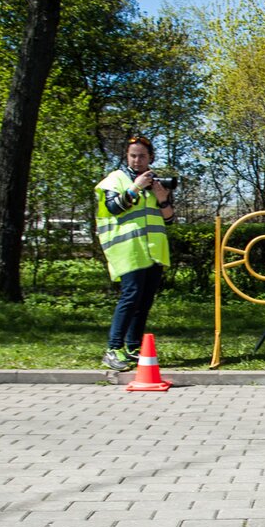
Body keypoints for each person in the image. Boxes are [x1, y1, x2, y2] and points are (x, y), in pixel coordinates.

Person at [95, 135, 175, 371]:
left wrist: (162, 199)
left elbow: (169, 219)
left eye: (142, 156)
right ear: (126, 157)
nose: (137, 160)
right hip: (128, 249)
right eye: (133, 156)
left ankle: (132, 347)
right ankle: (112, 349)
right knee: (130, 298)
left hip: (153, 250)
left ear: (150, 157)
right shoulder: (116, 179)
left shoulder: (156, 183)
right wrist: (135, 187)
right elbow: (113, 207)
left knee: (144, 301)